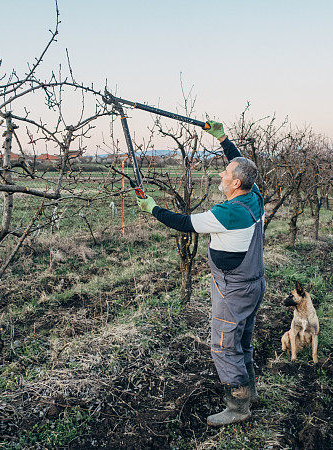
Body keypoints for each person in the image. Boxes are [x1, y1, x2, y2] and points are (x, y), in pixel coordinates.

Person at [135, 121, 265, 426]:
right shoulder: (254, 195)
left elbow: (184, 223)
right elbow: (242, 165)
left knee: (222, 343)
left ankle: (238, 406)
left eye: (226, 174)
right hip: (253, 283)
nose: (222, 173)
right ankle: (249, 391)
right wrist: (223, 139)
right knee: (241, 340)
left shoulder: (228, 213)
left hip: (233, 289)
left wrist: (152, 208)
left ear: (236, 184)